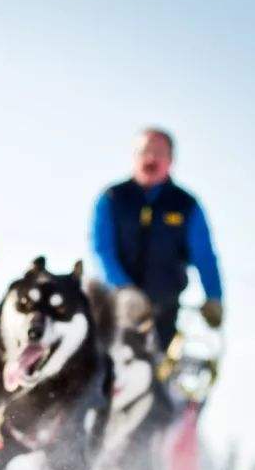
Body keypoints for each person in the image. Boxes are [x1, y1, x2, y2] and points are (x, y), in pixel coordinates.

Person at [92, 127, 224, 348]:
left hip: (163, 312)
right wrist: (125, 291)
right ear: (134, 157)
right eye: (145, 151)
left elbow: (204, 256)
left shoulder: (186, 205)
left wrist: (214, 297)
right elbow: (101, 249)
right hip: (113, 309)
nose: (151, 157)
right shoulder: (112, 199)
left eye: (159, 152)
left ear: (171, 160)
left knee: (154, 369)